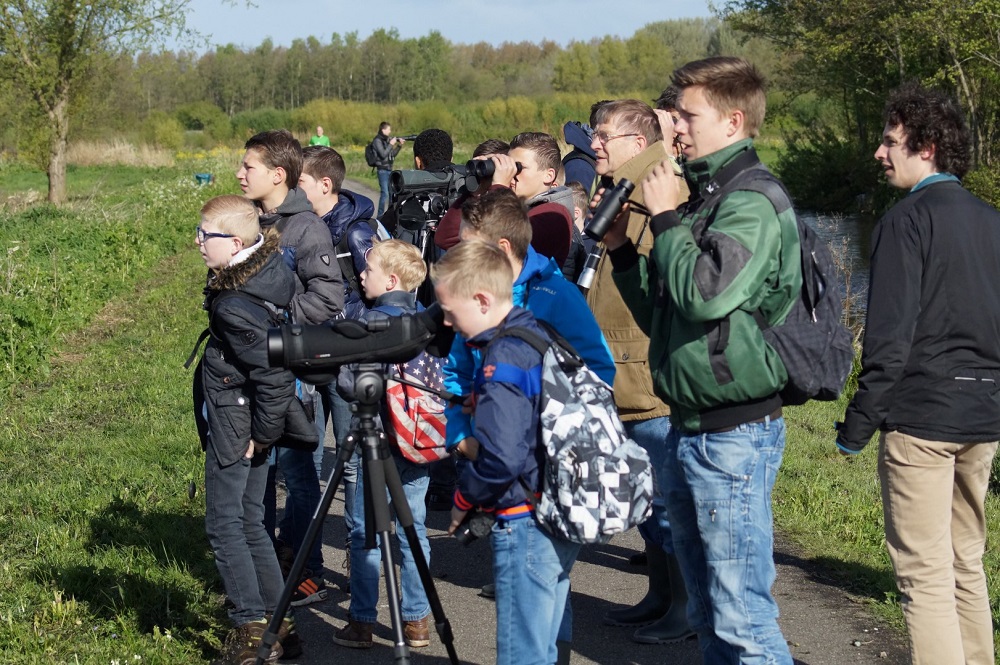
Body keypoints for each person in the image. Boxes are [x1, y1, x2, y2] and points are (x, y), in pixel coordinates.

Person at [609, 57, 799, 663]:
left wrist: (664, 216)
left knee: (742, 616)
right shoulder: (708, 194)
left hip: (735, 432)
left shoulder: (752, 200)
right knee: (713, 615)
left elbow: (705, 292)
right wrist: (620, 253)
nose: (675, 128)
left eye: (687, 115)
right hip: (692, 426)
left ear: (733, 119)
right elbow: (666, 312)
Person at [836, 84, 1000, 665]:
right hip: (984, 417)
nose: (880, 153)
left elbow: (888, 340)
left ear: (924, 146)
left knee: (924, 575)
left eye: (889, 141)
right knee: (964, 563)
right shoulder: (992, 221)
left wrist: (855, 427)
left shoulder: (906, 222)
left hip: (923, 418)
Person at [434, 240, 581, 665]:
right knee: (544, 640)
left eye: (449, 309)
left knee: (522, 652)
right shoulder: (532, 332)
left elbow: (500, 458)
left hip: (524, 518)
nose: (445, 321)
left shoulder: (502, 359)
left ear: (481, 300)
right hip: (556, 503)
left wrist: (465, 497)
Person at [582, 98, 692, 645]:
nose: (594, 144)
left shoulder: (655, 190)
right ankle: (659, 595)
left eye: (604, 135)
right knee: (646, 497)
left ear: (637, 141)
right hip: (616, 365)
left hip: (643, 368)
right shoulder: (617, 188)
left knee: (669, 498)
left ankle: (686, 609)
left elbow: (660, 281)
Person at [194, 195, 307, 664]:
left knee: (224, 523)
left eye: (206, 236)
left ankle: (251, 628)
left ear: (235, 242)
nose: (197, 242)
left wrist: (261, 432)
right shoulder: (270, 267)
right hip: (250, 416)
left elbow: (274, 375)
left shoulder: (233, 306)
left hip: (238, 420)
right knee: (250, 522)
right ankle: (282, 622)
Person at [236, 129, 344, 606]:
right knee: (255, 473)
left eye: (249, 167)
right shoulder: (245, 221)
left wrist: (271, 325)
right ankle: (260, 573)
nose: (240, 174)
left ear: (278, 175)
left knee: (299, 477)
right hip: (246, 375)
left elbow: (327, 298)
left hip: (293, 377)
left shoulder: (305, 228)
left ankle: (304, 568)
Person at [332, 239, 436, 650]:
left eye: (368, 268)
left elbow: (347, 382)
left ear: (390, 279)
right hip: (418, 442)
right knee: (416, 530)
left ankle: (361, 621)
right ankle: (416, 621)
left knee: (365, 532)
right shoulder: (426, 324)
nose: (360, 273)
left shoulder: (370, 324)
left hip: (375, 441)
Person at [299, 144, 379, 590]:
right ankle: (307, 571)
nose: (293, 191)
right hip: (308, 358)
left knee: (353, 468)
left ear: (325, 186)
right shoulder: (295, 227)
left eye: (301, 184)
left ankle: (359, 569)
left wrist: (353, 339)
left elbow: (381, 295)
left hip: (348, 362)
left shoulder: (358, 234)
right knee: (306, 462)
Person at [435, 137, 511, 252]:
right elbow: (445, 239)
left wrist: (498, 187)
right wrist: (475, 192)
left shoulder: (517, 206)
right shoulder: (477, 199)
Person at [370, 122, 404, 217]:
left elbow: (391, 154)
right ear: (383, 130)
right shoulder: (377, 141)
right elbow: (383, 154)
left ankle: (390, 215)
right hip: (382, 170)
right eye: (389, 129)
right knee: (384, 193)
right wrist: (391, 144)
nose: (390, 131)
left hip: (389, 169)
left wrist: (399, 146)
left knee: (391, 193)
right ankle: (380, 216)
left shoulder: (386, 140)